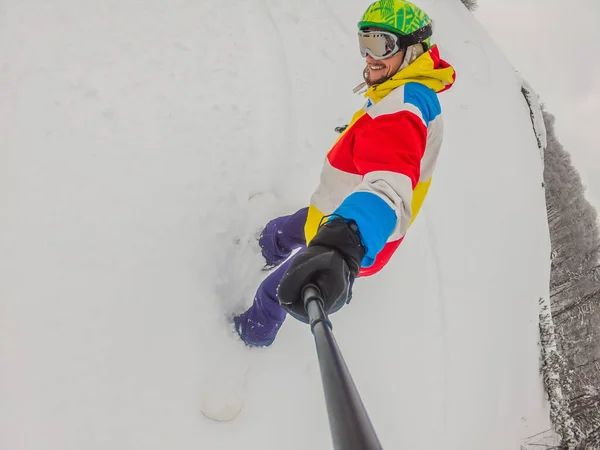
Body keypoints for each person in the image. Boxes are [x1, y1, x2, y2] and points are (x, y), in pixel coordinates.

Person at [234, 0, 456, 347]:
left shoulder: (404, 105)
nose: (369, 56)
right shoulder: (406, 88)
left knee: (275, 291)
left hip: (355, 231)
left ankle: (247, 337)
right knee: (292, 226)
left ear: (412, 50)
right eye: (364, 43)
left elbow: (389, 189)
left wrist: (343, 243)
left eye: (381, 45)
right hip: (338, 208)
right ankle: (265, 244)